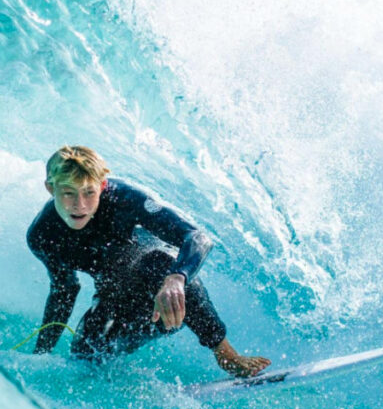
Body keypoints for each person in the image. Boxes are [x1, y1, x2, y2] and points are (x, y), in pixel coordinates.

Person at [27, 145, 271, 377]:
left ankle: (226, 355)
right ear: (51, 188)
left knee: (157, 262)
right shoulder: (43, 235)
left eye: (89, 192)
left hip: (169, 294)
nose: (79, 205)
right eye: (68, 193)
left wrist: (176, 279)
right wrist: (41, 354)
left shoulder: (124, 199)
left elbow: (197, 237)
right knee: (84, 355)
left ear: (102, 185)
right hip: (118, 301)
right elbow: (65, 290)